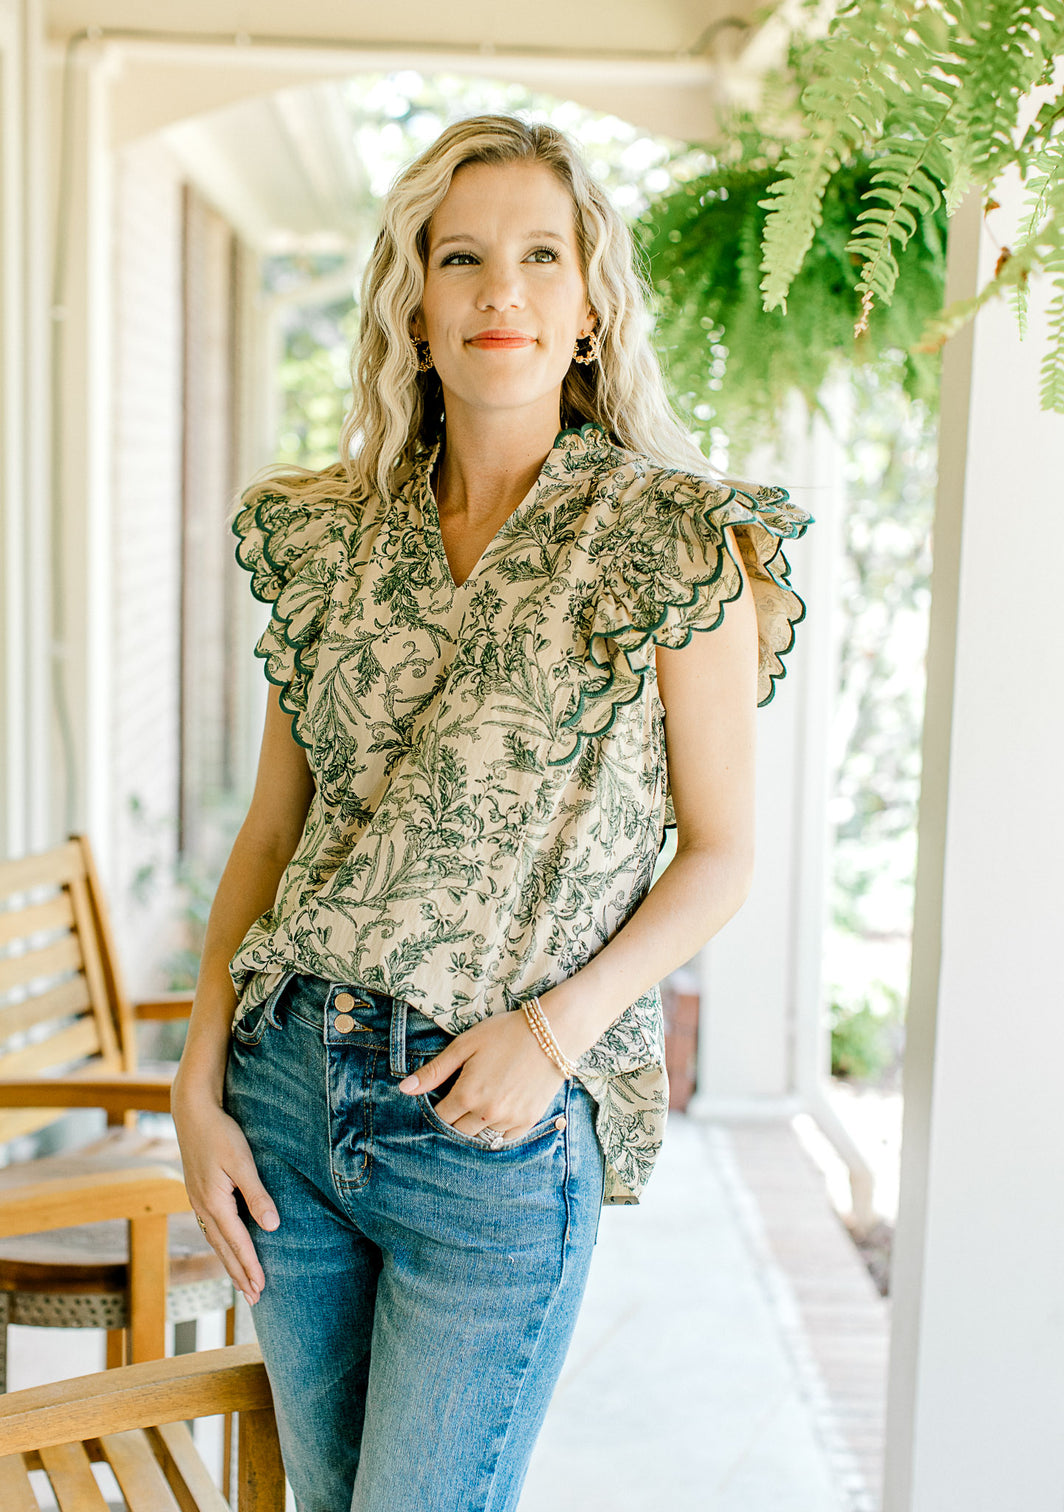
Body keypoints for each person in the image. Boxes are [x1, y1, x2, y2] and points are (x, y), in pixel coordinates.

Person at [172, 113, 811, 1512]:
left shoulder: (673, 538)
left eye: (540, 256)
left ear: (590, 307)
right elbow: (275, 837)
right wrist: (196, 1077)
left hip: (494, 1130)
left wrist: (551, 1034)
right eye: (459, 258)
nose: (499, 291)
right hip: (285, 1101)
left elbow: (720, 859)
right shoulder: (330, 534)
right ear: (414, 303)